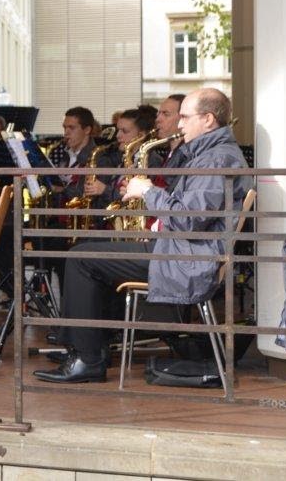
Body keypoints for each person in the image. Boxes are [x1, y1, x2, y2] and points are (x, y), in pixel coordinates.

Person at [34, 88, 251, 383]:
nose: (181, 124)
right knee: (88, 251)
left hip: (188, 260)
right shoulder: (211, 154)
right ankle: (88, 350)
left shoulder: (215, 159)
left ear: (208, 119)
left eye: (186, 117)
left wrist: (148, 191)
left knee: (81, 258)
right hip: (183, 252)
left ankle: (87, 358)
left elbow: (188, 220)